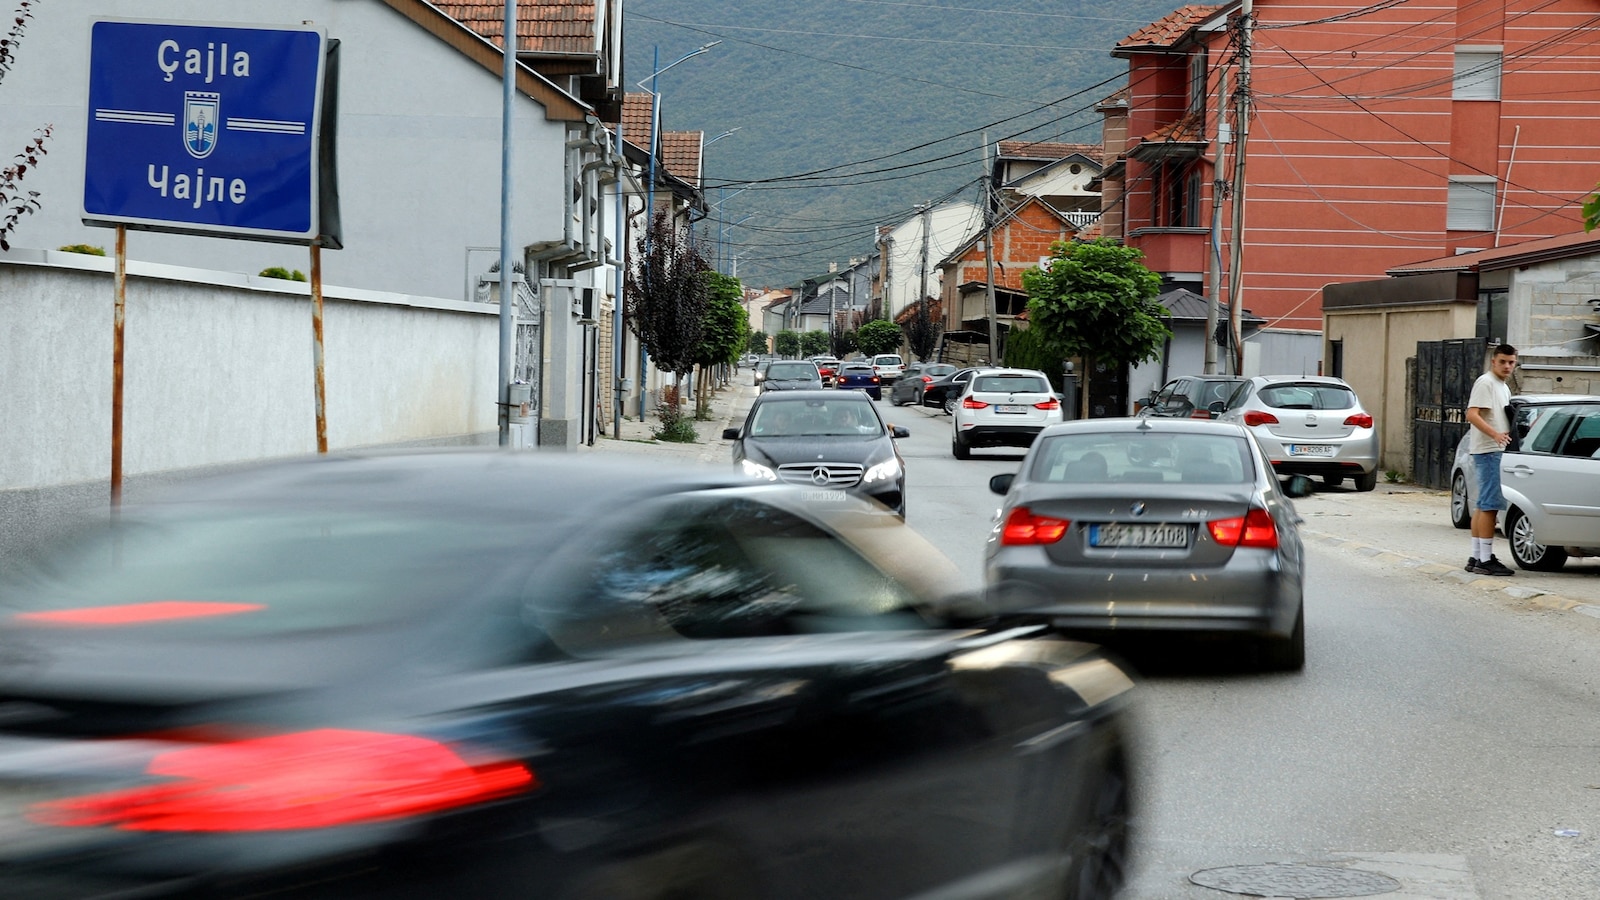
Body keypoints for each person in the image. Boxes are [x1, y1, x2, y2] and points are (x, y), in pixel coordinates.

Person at [1464, 344, 1518, 576]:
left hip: (1492, 449)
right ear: (1493, 361)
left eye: (1511, 362)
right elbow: (1471, 414)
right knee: (1490, 505)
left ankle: (1477, 556)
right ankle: (1485, 559)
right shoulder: (1486, 382)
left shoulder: (1502, 386)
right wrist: (1495, 434)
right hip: (1489, 450)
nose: (1507, 366)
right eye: (1503, 361)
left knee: (1483, 504)